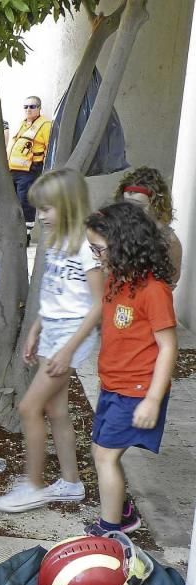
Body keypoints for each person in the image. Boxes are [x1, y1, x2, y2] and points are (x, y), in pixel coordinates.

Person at [0, 169, 102, 514]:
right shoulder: (56, 243)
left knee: (28, 408)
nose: (40, 216)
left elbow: (99, 304)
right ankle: (70, 482)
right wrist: (37, 329)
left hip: (71, 337)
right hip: (53, 332)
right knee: (56, 410)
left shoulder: (87, 247)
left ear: (68, 205)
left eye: (48, 209)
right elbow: (58, 295)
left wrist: (67, 349)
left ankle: (34, 484)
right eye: (39, 209)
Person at [83, 201, 177, 536]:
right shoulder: (116, 281)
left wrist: (152, 399)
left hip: (137, 390)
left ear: (124, 244)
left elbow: (167, 347)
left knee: (106, 457)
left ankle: (111, 529)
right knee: (100, 451)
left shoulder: (154, 290)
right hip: (113, 385)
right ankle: (120, 506)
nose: (96, 255)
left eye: (99, 248)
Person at [114, 166, 183, 287]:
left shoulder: (168, 240)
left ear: (156, 206)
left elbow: (170, 282)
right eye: (126, 205)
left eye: (138, 207)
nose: (130, 212)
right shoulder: (118, 230)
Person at [8, 96, 52, 242]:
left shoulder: (45, 125)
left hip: (29, 171)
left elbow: (50, 148)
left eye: (32, 106)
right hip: (13, 170)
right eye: (26, 106)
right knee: (14, 203)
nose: (28, 109)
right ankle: (16, 231)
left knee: (25, 202)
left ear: (39, 108)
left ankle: (25, 234)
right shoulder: (23, 124)